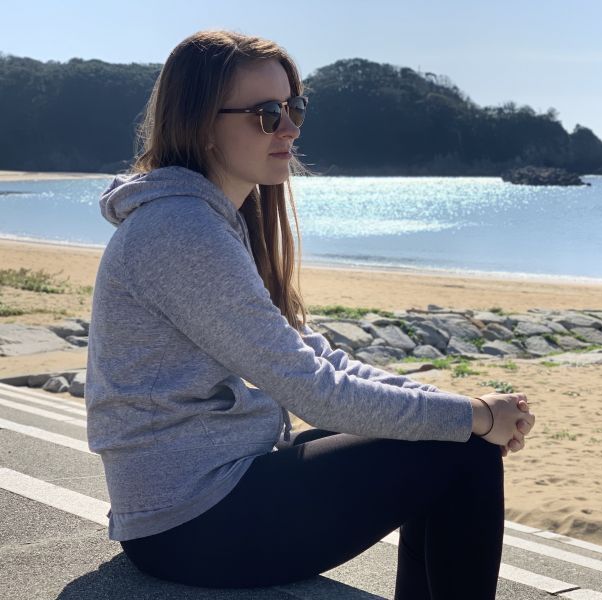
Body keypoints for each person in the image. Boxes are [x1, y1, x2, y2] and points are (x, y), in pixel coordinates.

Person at [85, 29, 535, 599]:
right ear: (202, 123)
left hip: (200, 495)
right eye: (267, 114)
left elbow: (318, 357)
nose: (290, 128)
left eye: (294, 108)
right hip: (186, 521)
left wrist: (460, 407)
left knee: (445, 434)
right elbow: (311, 389)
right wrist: (474, 419)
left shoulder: (215, 220)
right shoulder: (182, 231)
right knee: (463, 452)